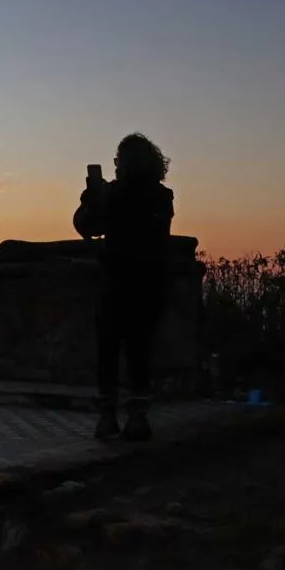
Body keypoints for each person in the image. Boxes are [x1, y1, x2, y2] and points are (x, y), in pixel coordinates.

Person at [73, 133, 175, 441]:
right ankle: (136, 417)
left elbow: (87, 228)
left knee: (110, 351)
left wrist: (92, 201)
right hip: (148, 281)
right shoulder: (162, 196)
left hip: (119, 280)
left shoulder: (117, 194)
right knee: (138, 352)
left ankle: (109, 417)